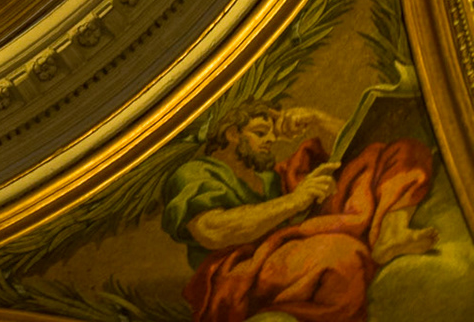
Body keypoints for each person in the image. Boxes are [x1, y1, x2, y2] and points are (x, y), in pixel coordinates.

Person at [162, 100, 438, 321]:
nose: (270, 140)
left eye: (271, 133)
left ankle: (392, 232)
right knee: (340, 256)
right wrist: (295, 201)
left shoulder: (274, 176)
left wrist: (317, 118)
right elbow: (212, 230)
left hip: (296, 243)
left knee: (404, 150)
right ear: (233, 134)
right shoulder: (196, 173)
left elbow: (360, 145)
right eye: (260, 133)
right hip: (244, 274)